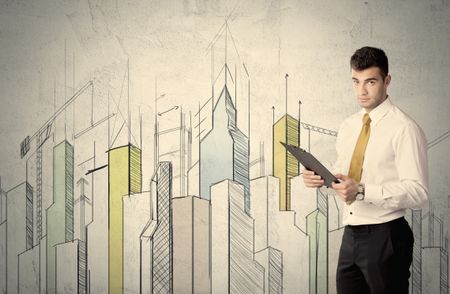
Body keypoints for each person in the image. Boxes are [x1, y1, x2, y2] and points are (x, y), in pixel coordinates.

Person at [302, 46, 428, 294]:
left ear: (386, 81)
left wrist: (361, 191)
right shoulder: (348, 125)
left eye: (370, 81)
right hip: (351, 234)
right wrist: (323, 181)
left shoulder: (404, 128)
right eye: (355, 81)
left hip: (387, 234)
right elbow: (344, 179)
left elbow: (418, 192)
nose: (361, 90)